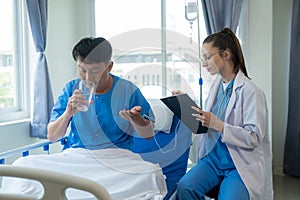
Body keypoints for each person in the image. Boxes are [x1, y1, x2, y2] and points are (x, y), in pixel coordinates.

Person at [176, 28, 273, 200]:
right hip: (215, 157)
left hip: (240, 163)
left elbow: (254, 137)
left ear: (226, 54)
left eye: (207, 57)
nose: (204, 63)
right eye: (202, 58)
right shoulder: (217, 86)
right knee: (185, 187)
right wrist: (188, 108)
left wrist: (218, 124)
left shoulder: (251, 92)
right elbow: (212, 120)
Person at [47, 37, 154, 150]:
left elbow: (149, 135)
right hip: (77, 154)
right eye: (82, 70)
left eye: (95, 71)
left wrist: (138, 120)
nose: (88, 77)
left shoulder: (127, 90)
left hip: (117, 156)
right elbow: (52, 136)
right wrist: (68, 113)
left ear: (109, 67)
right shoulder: (71, 89)